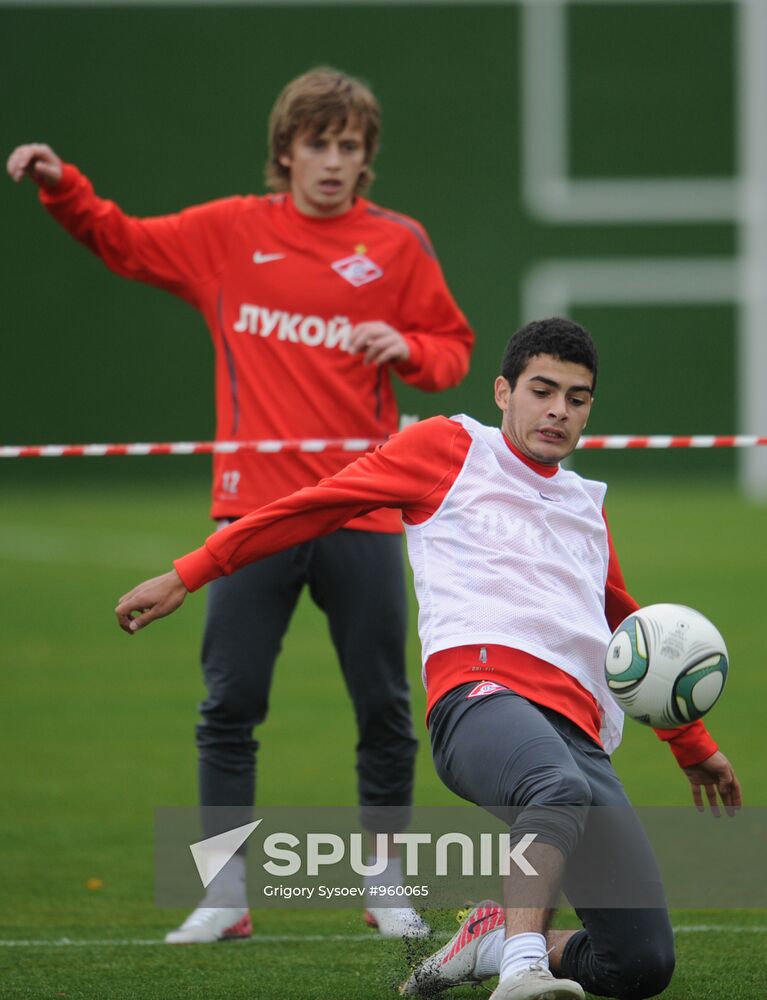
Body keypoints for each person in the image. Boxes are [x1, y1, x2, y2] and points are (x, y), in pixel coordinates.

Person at [115, 318, 741, 1000]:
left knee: (640, 964)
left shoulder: (584, 507)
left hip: (580, 732)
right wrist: (191, 571)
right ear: (503, 391)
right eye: (542, 390)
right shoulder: (448, 447)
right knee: (551, 789)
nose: (558, 409)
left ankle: (494, 940)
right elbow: (318, 506)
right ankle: (521, 969)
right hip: (480, 697)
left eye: (577, 397)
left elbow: (627, 626)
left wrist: (691, 744)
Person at [7, 68, 474, 944]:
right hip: (251, 518)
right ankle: (225, 896)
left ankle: (386, 884)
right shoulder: (229, 233)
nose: (333, 162)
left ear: (366, 157)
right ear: (286, 152)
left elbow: (451, 351)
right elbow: (125, 242)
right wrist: (63, 188)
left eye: (349, 146)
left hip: (363, 516)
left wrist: (407, 346)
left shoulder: (399, 245)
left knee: (383, 709)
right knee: (229, 708)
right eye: (318, 144)